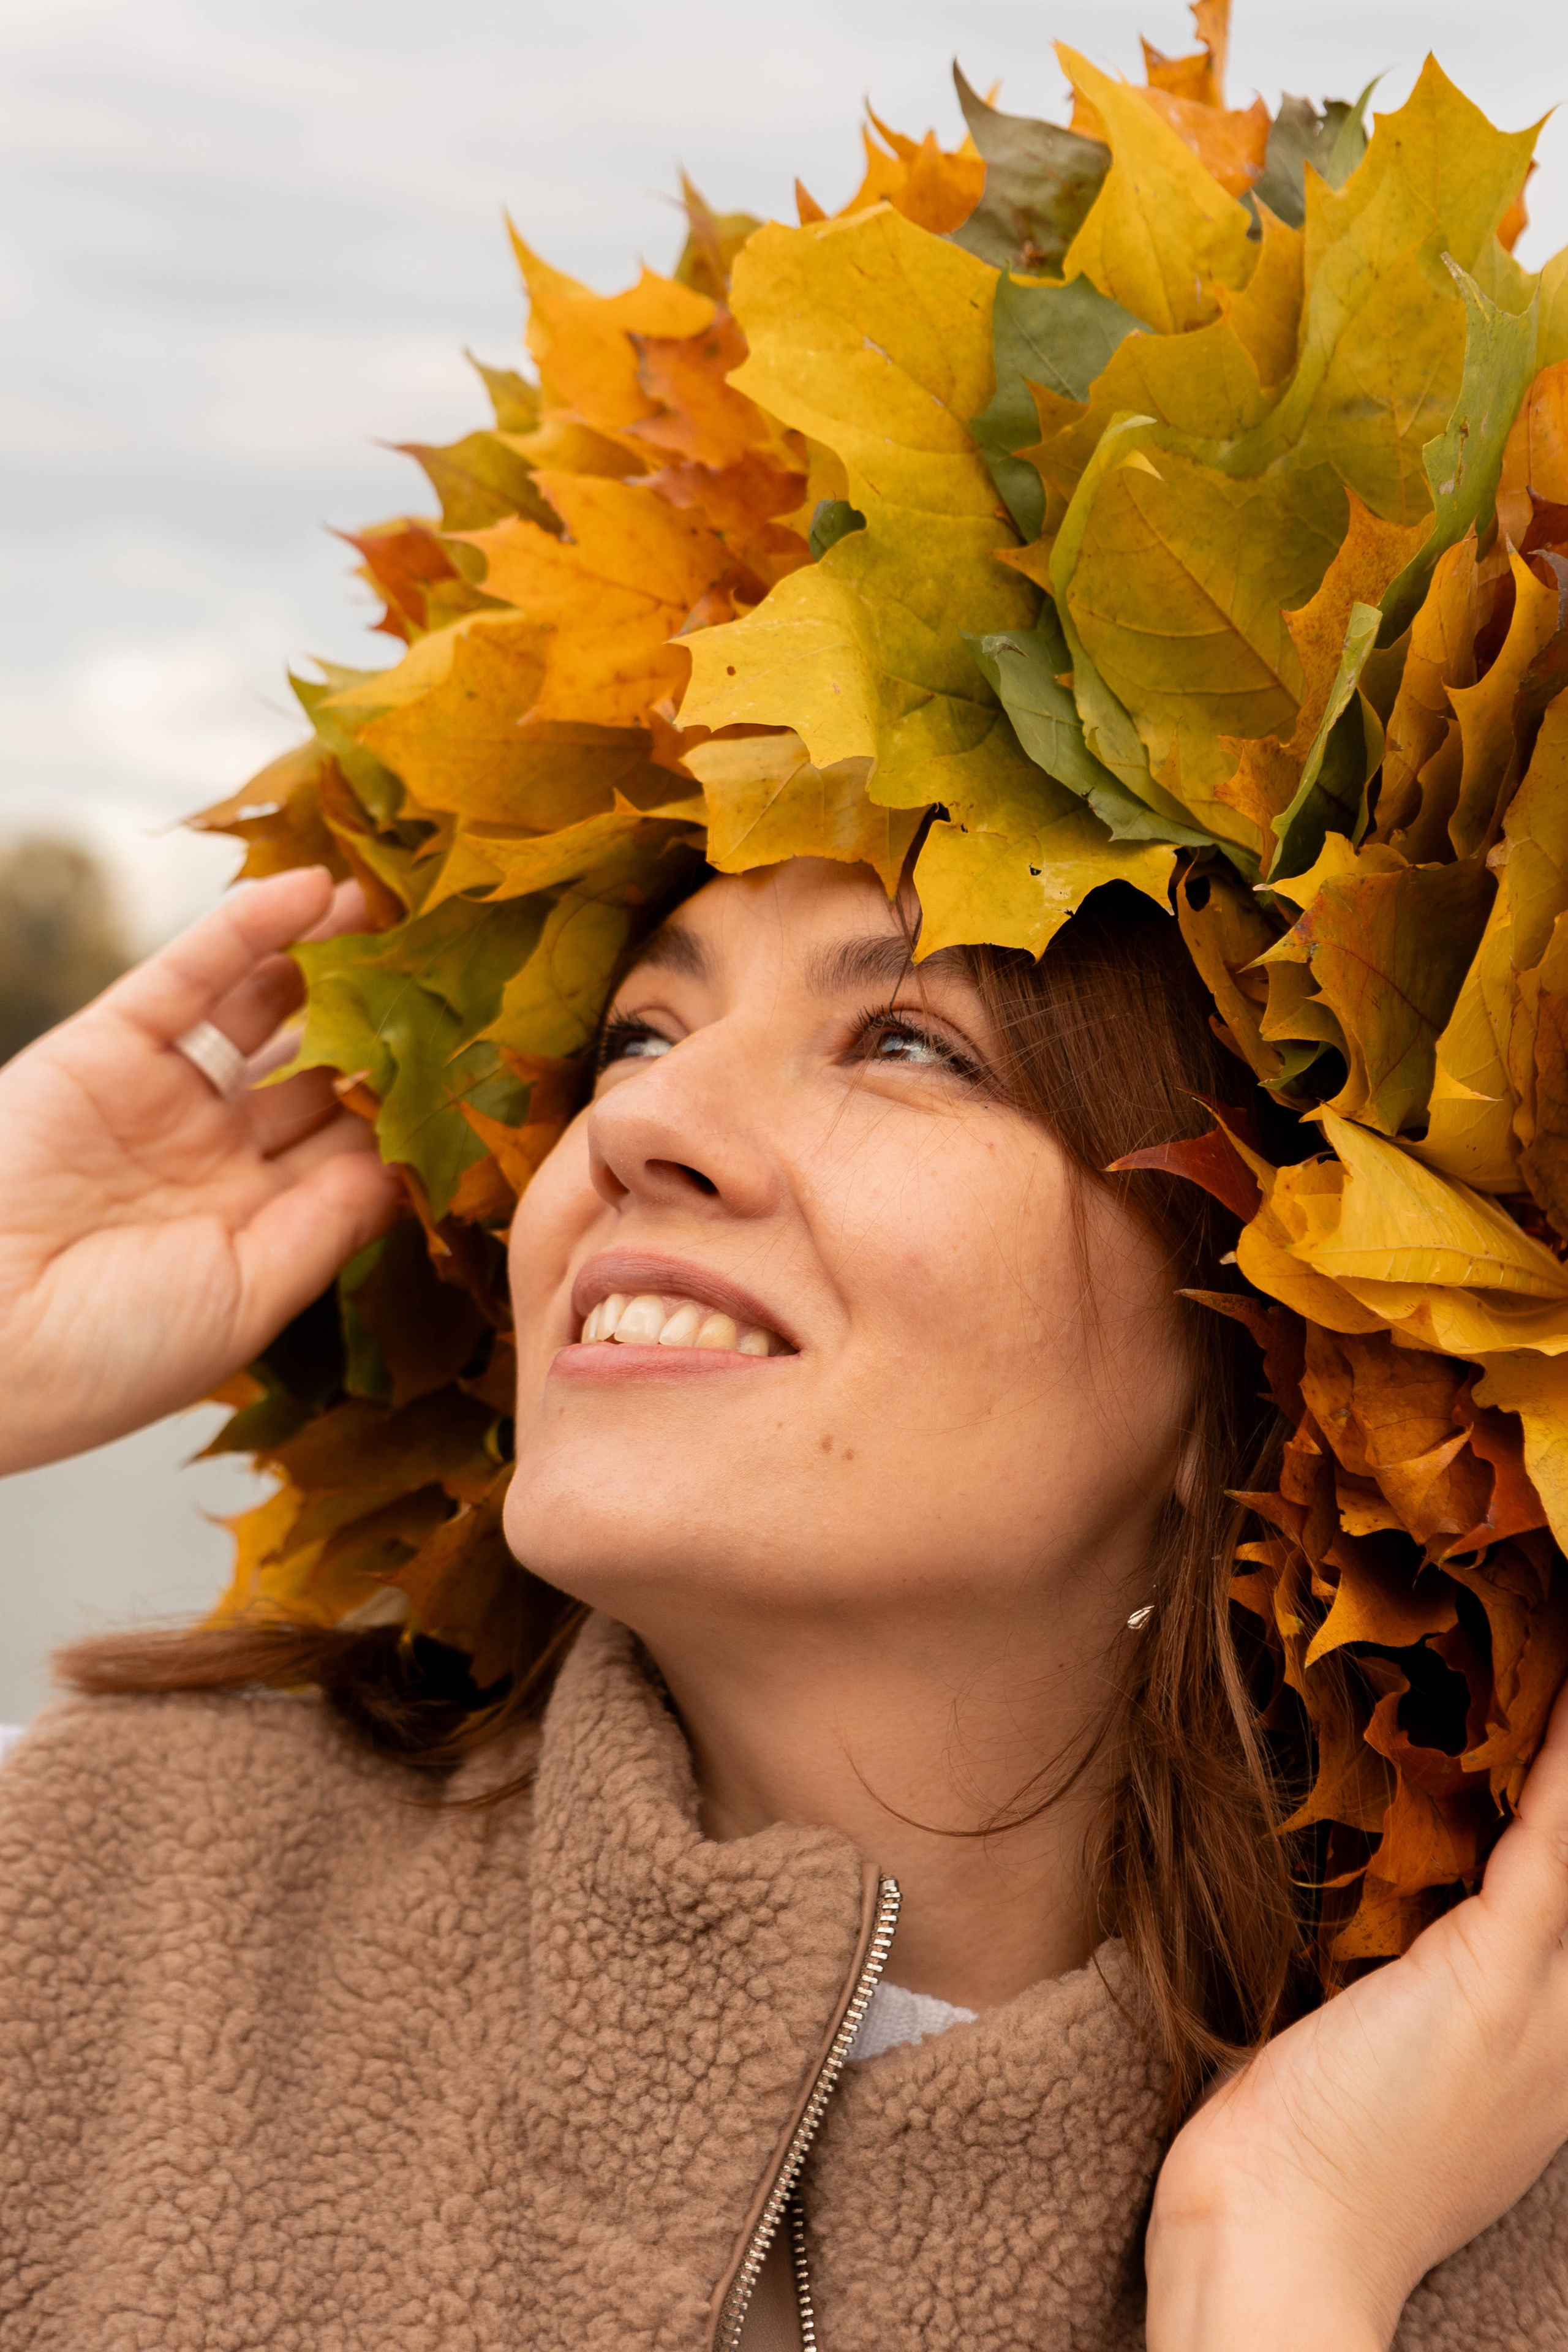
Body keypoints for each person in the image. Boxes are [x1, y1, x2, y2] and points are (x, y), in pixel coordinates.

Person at [2, 853, 1568, 2352]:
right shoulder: (98, 1894)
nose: (641, 1120)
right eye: (636, 1036)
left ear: (1282, 1340)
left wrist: (1284, 2262)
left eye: (907, 1042)